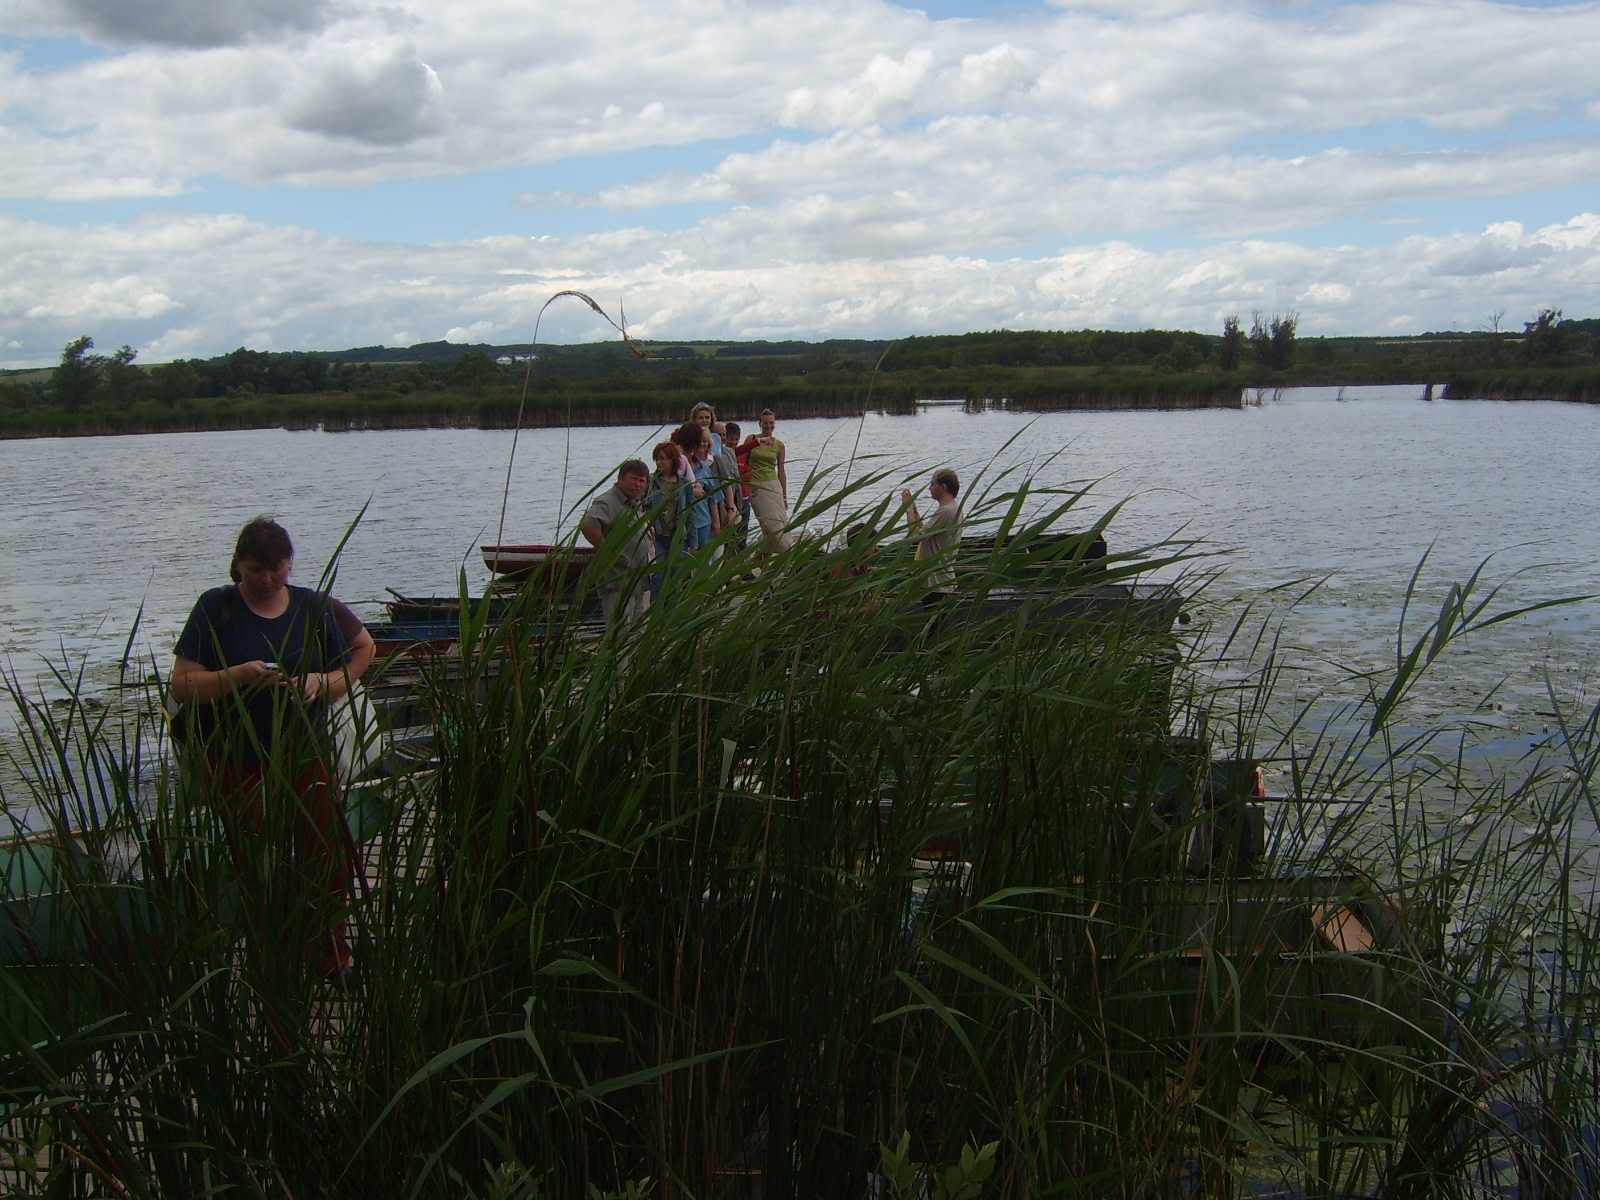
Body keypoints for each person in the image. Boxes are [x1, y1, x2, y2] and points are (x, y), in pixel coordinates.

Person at [169, 517, 375, 978]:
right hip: (235, 759)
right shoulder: (216, 607)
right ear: (238, 565)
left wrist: (325, 681)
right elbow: (182, 685)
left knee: (324, 857)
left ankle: (330, 957)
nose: (265, 579)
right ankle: (271, 959)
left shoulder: (313, 606)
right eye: (254, 570)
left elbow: (365, 648)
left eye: (275, 568)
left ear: (289, 563)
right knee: (258, 863)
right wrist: (237, 676)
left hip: (305, 753)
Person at [580, 459, 656, 629]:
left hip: (640, 580)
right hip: (619, 580)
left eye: (642, 480)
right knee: (619, 632)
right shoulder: (607, 502)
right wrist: (609, 552)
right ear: (621, 478)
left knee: (639, 631)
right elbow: (587, 526)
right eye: (633, 479)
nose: (638, 484)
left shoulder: (635, 502)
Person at [901, 468, 962, 605]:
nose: (930, 488)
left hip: (936, 584)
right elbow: (925, 533)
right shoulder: (952, 508)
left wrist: (908, 509)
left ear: (943, 487)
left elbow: (915, 537)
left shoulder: (945, 511)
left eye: (933, 484)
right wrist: (915, 511)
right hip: (941, 582)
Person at [742, 409, 796, 555]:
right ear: (760, 424)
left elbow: (781, 471)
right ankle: (790, 552)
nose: (768, 426)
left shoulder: (779, 445)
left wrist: (784, 496)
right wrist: (746, 484)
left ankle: (759, 560)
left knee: (780, 523)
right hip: (756, 486)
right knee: (770, 525)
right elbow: (741, 463)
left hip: (774, 486)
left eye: (771, 422)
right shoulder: (752, 439)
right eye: (765, 423)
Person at [647, 440, 692, 592]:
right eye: (657, 459)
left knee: (676, 577)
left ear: (672, 460)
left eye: (662, 458)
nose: (658, 462)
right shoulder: (651, 482)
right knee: (658, 577)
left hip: (678, 537)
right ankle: (656, 605)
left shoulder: (684, 483)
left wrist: (693, 541)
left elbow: (691, 511)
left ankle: (672, 606)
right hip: (657, 537)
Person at [724, 420, 752, 549]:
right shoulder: (723, 456)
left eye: (736, 439)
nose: (734, 442)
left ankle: (742, 556)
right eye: (731, 439)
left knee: (743, 531)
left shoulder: (740, 456)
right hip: (733, 500)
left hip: (745, 498)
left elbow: (748, 472)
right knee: (732, 533)